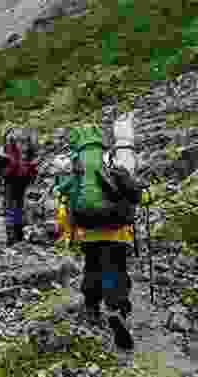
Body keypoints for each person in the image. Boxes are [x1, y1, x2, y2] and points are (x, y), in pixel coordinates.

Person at [59, 119, 139, 351]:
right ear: (103, 139)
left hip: (88, 230)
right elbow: (133, 193)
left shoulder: (77, 163)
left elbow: (65, 192)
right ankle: (116, 309)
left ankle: (92, 307)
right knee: (115, 268)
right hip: (116, 231)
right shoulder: (113, 159)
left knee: (92, 266)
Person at [0, 127, 39, 246]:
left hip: (10, 180)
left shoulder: (8, 145)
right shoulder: (27, 142)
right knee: (19, 206)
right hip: (23, 179)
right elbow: (33, 162)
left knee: (10, 207)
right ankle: (19, 234)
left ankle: (11, 236)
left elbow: (1, 165)